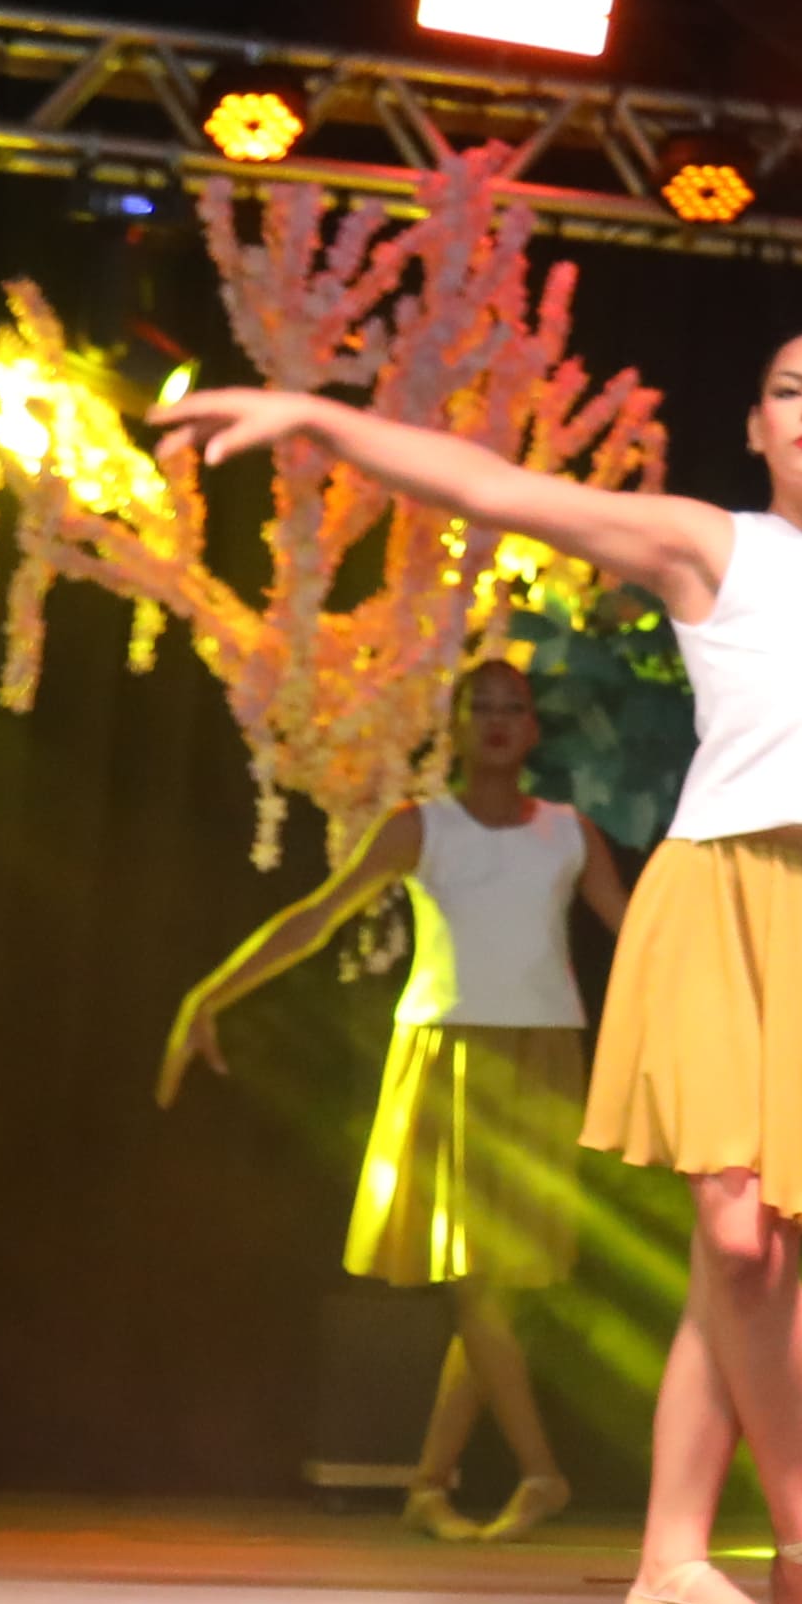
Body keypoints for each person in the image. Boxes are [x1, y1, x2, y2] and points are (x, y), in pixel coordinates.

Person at [168, 328, 802, 1604]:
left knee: (754, 1256)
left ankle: (673, 1561)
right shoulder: (712, 545)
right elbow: (499, 488)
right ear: (757, 427)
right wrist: (315, 418)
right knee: (737, 1234)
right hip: (727, 895)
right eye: (789, 389)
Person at [159, 653, 629, 1548]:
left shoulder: (569, 833)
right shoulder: (421, 827)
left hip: (544, 1060)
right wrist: (209, 993)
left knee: (497, 1289)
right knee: (476, 1281)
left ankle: (427, 1484)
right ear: (455, 727)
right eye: (481, 706)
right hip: (449, 1053)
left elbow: (641, 939)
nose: (498, 720)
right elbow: (318, 916)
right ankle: (541, 1473)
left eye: (514, 706)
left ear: (533, 728)